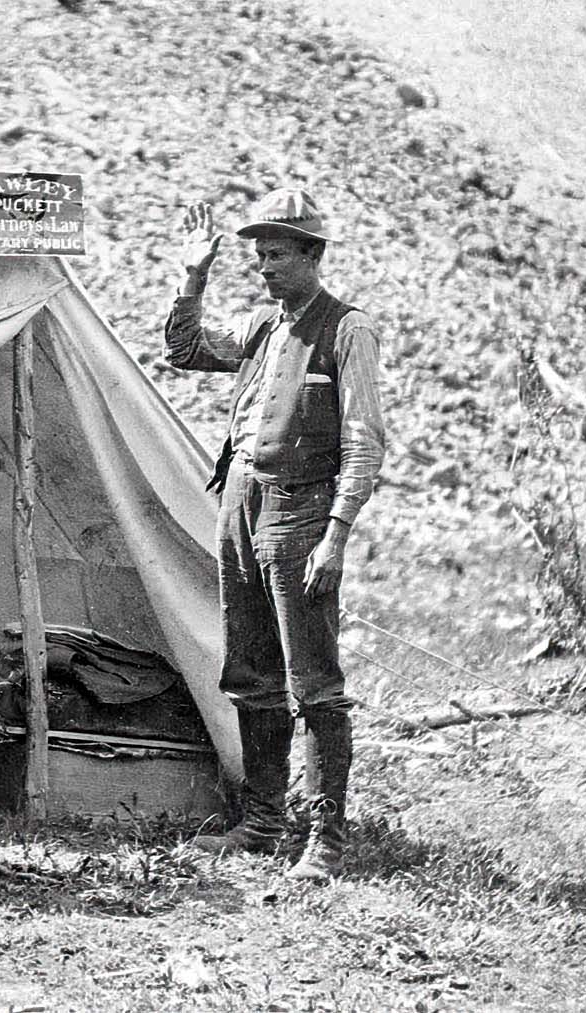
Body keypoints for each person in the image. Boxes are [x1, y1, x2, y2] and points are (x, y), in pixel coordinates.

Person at [163, 188, 385, 881]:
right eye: (258, 255)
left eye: (278, 254)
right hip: (240, 500)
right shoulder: (264, 326)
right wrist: (194, 273)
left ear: (314, 257)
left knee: (313, 679)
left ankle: (327, 838)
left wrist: (336, 533)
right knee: (249, 667)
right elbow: (185, 348)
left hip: (302, 510)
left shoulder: (347, 330)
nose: (264, 267)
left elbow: (365, 440)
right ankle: (261, 823)